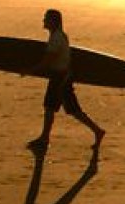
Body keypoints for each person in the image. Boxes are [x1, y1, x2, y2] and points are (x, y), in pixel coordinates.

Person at [23, 9, 105, 152]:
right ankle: (97, 131)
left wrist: (30, 70)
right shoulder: (59, 36)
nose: (43, 21)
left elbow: (48, 60)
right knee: (71, 110)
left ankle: (44, 138)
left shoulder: (56, 38)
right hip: (63, 76)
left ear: (53, 21)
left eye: (46, 18)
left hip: (60, 78)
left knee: (51, 108)